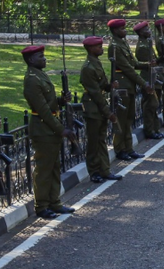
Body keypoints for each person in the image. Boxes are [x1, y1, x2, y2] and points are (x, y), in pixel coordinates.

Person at [22, 45, 77, 218]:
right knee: (44, 170)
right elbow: (43, 110)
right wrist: (62, 130)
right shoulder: (31, 79)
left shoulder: (40, 75)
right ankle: (42, 206)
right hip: (43, 129)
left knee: (54, 167)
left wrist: (61, 100)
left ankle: (55, 202)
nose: (44, 59)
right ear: (31, 60)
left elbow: (49, 102)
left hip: (50, 128)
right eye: (40, 56)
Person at [80, 36, 124, 184]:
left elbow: (102, 85)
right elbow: (95, 94)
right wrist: (108, 113)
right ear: (91, 49)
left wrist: (110, 86)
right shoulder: (88, 67)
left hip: (99, 107)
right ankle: (94, 172)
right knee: (93, 143)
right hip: (93, 108)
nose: (101, 48)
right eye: (98, 46)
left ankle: (105, 170)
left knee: (101, 140)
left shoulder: (96, 63)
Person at [107, 19, 152, 161]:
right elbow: (127, 69)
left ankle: (128, 148)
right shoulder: (114, 46)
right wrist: (143, 83)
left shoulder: (123, 43)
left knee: (129, 119)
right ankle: (120, 149)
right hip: (123, 86)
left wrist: (147, 65)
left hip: (129, 85)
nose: (125, 31)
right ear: (115, 31)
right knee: (121, 119)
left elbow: (133, 63)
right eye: (122, 29)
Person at [132, 21, 164, 139]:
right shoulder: (142, 46)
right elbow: (146, 64)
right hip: (148, 77)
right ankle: (150, 130)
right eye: (146, 29)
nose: (149, 30)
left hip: (153, 75)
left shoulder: (147, 43)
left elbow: (153, 61)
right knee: (150, 105)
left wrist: (161, 58)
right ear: (141, 33)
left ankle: (155, 129)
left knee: (154, 105)